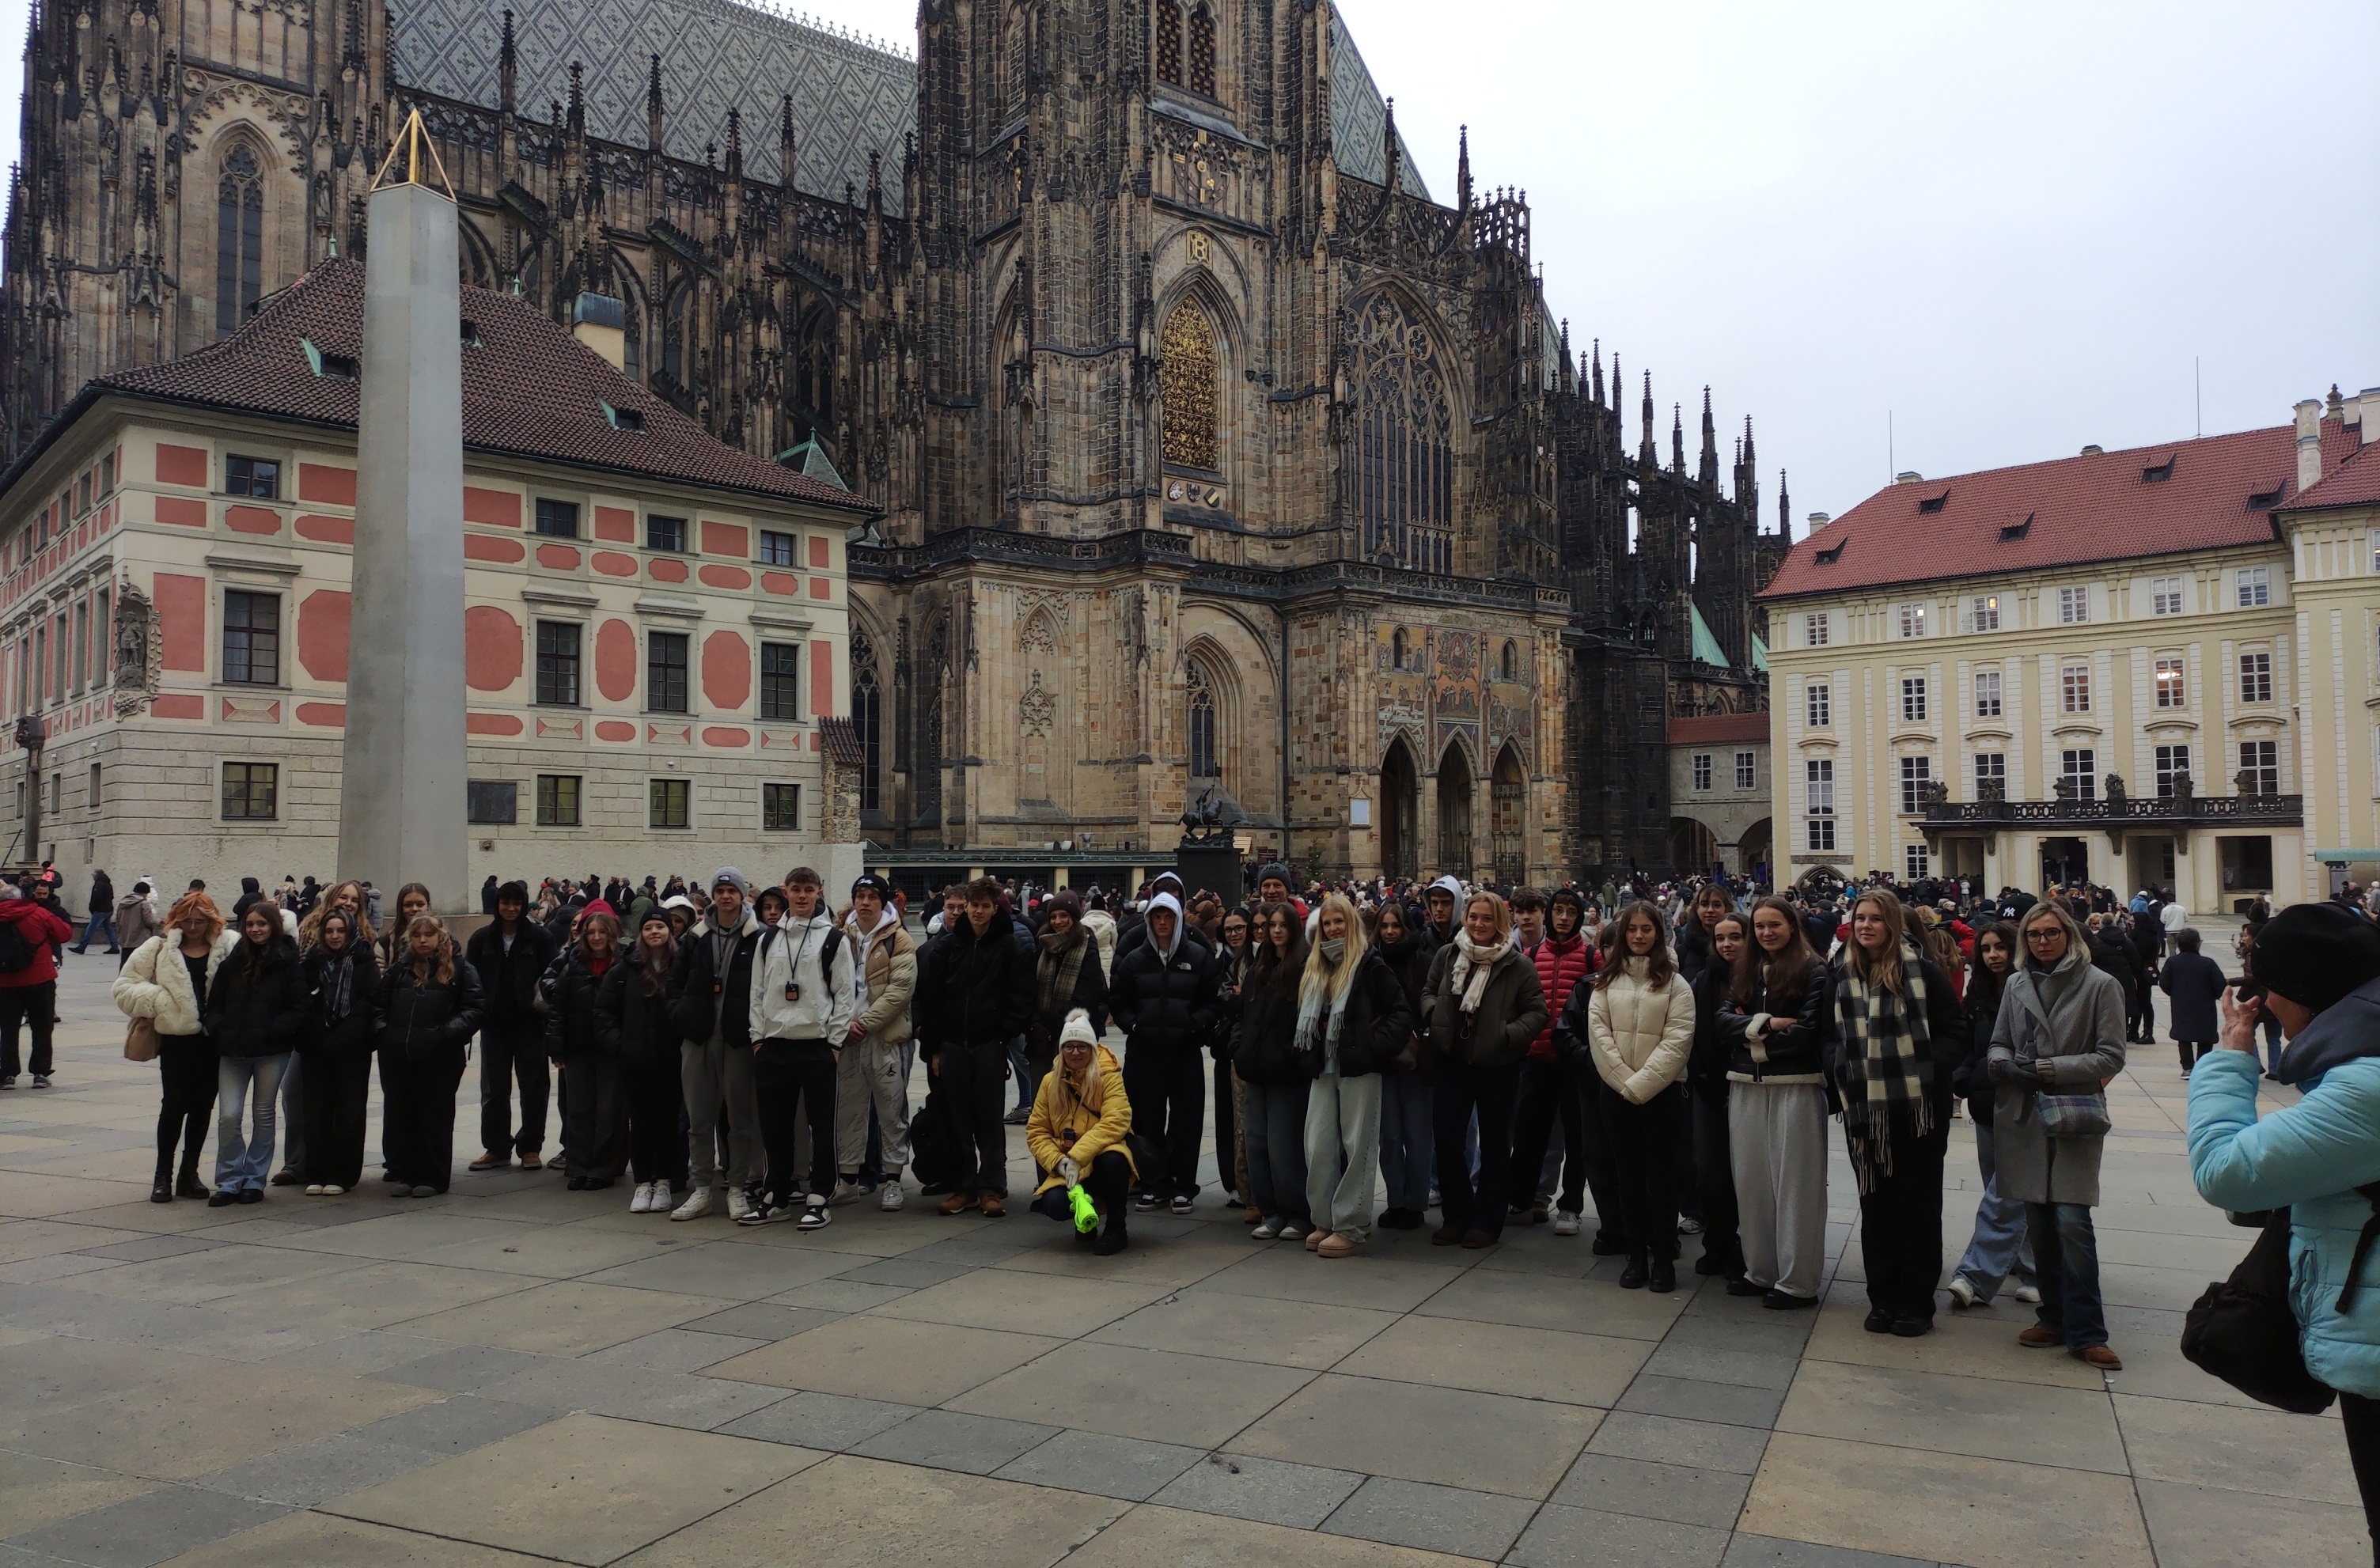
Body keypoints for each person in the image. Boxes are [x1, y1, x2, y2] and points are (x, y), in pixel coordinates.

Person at [2189, 902, 2380, 1558]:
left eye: (2269, 988)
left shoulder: (2366, 1086)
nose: (2264, 1004)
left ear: (2306, 990)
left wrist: (2230, 1059)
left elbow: (2225, 1172)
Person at [1988, 900, 2126, 1369]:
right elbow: (1999, 1041)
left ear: (2069, 935)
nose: (2042, 941)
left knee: (2071, 1221)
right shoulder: (2016, 984)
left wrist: (2048, 1068)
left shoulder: (2100, 985)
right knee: (2040, 1223)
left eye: (2051, 933)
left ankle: (2088, 1331)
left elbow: (2111, 1055)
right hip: (2026, 1114)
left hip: (2073, 1114)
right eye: (2034, 934)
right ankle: (2053, 1317)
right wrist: (2003, 1064)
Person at [1829, 891, 1965, 1336]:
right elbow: (1828, 1036)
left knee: (1918, 1207)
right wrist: (1839, 1066)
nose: (1865, 926)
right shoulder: (1841, 973)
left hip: (1918, 1110)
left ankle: (1916, 1302)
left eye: (1875, 919)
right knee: (1876, 1206)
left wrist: (1924, 1070)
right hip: (1865, 1112)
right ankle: (1882, 1298)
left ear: (1892, 924)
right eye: (1860, 918)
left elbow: (1955, 1031)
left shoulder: (1922, 972)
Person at [1580, 900, 1696, 1292]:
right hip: (1616, 1093)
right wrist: (1624, 1083)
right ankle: (1635, 1257)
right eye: (1632, 929)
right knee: (1627, 1178)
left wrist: (1640, 1086)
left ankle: (1663, 1260)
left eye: (1647, 929)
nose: (1639, 935)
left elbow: (1678, 1041)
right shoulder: (1605, 982)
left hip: (1661, 1094)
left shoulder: (1677, 985)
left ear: (1659, 935)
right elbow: (1599, 1036)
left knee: (1661, 1178)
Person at [1422, 890, 1548, 1248]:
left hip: (1498, 1066)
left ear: (1500, 922)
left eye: (1487, 918)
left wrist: (1507, 1035)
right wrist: (1436, 1016)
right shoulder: (1449, 955)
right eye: (1474, 917)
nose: (1479, 924)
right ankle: (1457, 1215)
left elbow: (1537, 1012)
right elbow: (1428, 991)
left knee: (1495, 1145)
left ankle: (1488, 1221)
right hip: (1453, 1061)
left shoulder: (1517, 964)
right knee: (1448, 1142)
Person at [913, 875, 1036, 1216]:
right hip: (952, 1044)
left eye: (985, 906)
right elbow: (932, 999)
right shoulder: (947, 946)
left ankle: (991, 1187)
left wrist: (1003, 1036)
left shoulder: (1010, 946)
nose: (978, 912)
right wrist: (935, 1048)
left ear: (995, 909)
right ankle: (965, 1186)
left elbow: (1021, 998)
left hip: (989, 1044)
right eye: (973, 905)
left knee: (990, 1119)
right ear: (965, 907)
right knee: (959, 1119)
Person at [1298, 892, 1412, 1257]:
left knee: (1357, 1145)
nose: (1333, 928)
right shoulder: (1316, 966)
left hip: (1358, 1067)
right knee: (1318, 1145)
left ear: (1351, 924)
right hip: (1323, 1067)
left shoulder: (1369, 963)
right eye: (1327, 923)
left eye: (1339, 922)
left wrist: (1371, 1046)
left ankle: (1351, 1225)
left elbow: (1400, 1013)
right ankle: (1323, 1220)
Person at [741, 869, 856, 1228]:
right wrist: (758, 1039)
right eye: (796, 889)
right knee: (774, 1126)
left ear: (819, 892)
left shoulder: (834, 939)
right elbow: (757, 992)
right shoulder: (767, 939)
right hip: (774, 1045)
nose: (802, 896)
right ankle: (775, 1195)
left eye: (809, 889)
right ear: (785, 892)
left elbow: (845, 995)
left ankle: (820, 1195)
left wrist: (834, 1043)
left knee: (822, 1127)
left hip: (817, 1046)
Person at [113, 892, 234, 1202]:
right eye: (187, 921)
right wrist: (161, 1002)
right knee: (173, 1106)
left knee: (203, 1108)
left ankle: (189, 1173)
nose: (193, 927)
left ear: (211, 921)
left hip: (212, 1040)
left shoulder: (227, 947)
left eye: (200, 921)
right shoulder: (159, 947)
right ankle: (162, 1175)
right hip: (176, 1041)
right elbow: (124, 986)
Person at [1946, 922, 2040, 1311]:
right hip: (1986, 1104)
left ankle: (1995, 1272)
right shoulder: (1979, 995)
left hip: (2021, 1102)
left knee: (2010, 1193)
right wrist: (1964, 1077)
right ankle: (2024, 1264)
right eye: (1986, 949)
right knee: (1998, 1189)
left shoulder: (2030, 990)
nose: (1993, 955)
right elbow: (1972, 1046)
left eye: (2000, 947)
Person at [666, 869, 768, 1221]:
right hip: (698, 1038)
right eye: (720, 890)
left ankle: (737, 1187)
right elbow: (674, 982)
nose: (726, 896)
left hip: (738, 1040)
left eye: (731, 890)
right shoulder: (697, 936)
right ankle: (701, 1190)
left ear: (741, 895)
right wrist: (680, 1015)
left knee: (740, 1119)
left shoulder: (758, 936)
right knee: (699, 1119)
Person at [1110, 891, 1221, 1214]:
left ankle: (1183, 1186)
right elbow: (1119, 1001)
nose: (1162, 923)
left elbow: (1212, 1001)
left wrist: (1193, 1025)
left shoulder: (1198, 957)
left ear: (1178, 919)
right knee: (1147, 1120)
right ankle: (1153, 1183)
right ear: (1149, 920)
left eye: (1168, 917)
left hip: (1184, 1051)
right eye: (1157, 917)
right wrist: (1134, 1025)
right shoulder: (1135, 959)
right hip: (1144, 1052)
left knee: (1186, 1120)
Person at [376, 915, 487, 1198]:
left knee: (435, 1116)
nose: (423, 940)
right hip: (401, 1055)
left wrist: (443, 1034)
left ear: (440, 937)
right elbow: (378, 1007)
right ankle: (408, 1174)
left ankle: (434, 1176)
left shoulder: (460, 968)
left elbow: (474, 1009)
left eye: (428, 934)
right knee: (404, 1116)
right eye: (417, 935)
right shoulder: (399, 969)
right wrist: (387, 1034)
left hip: (440, 1057)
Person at [203, 905, 307, 1206]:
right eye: (250, 924)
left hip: (270, 1051)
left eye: (262, 924)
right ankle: (229, 1179)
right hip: (233, 1051)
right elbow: (214, 1004)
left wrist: (275, 1030)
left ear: (273, 926)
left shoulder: (287, 962)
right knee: (229, 1116)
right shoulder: (233, 961)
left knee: (263, 1114)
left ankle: (254, 1179)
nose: (255, 929)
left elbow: (300, 1007)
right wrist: (220, 1029)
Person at [1512, 888, 1595, 1234]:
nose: (1563, 918)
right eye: (1558, 911)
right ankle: (1522, 1200)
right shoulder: (1531, 955)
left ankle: (1570, 1207)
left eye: (1570, 912)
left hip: (1574, 1061)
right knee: (1529, 1135)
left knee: (1577, 1139)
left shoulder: (1590, 956)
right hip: (1538, 1057)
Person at [1230, 902, 1313, 1240]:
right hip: (1254, 1068)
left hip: (1285, 1073)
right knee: (1257, 1144)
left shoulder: (1303, 968)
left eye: (1282, 925)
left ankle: (1297, 1213)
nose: (1276, 931)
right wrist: (1239, 1047)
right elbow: (1242, 1015)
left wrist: (1288, 1055)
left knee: (1283, 1147)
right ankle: (1271, 1211)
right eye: (1271, 926)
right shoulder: (1258, 969)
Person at [466, 881, 559, 1173]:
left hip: (530, 1024)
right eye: (505, 902)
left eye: (516, 903)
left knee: (534, 1087)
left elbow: (552, 976)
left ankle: (530, 1147)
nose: (511, 908)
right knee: (494, 1089)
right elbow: (470, 978)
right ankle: (496, 1147)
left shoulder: (540, 937)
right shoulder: (482, 938)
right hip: (494, 1025)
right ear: (497, 905)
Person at [1025, 1009, 1135, 1255]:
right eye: (1069, 1046)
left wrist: (1079, 1156)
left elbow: (1117, 1120)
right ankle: (1085, 1219)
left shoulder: (1108, 1076)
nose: (1075, 1052)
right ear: (1061, 1049)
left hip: (1101, 1155)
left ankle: (1117, 1227)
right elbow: (1036, 1131)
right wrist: (1059, 1162)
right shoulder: (1049, 1082)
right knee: (1054, 1205)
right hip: (1066, 1163)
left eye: (1082, 1047)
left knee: (1114, 1161)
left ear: (1092, 1049)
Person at [601, 910, 689, 1214]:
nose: (654, 932)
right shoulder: (625, 969)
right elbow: (604, 1011)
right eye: (648, 927)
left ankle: (663, 1181)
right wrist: (620, 1046)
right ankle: (642, 1182)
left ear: (670, 931)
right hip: (635, 1061)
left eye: (660, 926)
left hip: (671, 1060)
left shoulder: (680, 965)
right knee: (640, 1122)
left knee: (667, 1122)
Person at [839, 873, 917, 1212]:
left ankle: (893, 1181)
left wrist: (864, 1023)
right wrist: (843, 1025)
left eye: (872, 896)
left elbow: (900, 991)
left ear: (882, 901)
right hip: (847, 1038)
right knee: (849, 1111)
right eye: (860, 896)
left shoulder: (898, 939)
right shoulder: (840, 936)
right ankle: (848, 1180)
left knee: (891, 1112)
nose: (865, 902)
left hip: (884, 1038)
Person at [1685, 909, 1749, 1282]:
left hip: (1749, 1085)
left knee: (1748, 1174)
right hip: (1709, 1086)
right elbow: (1692, 1035)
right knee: (1711, 1173)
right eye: (1721, 938)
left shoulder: (1761, 978)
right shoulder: (1703, 981)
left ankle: (1748, 1247)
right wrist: (1707, 1081)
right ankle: (1718, 1243)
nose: (1727, 944)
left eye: (1735, 937)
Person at [298, 910, 380, 1195]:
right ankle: (317, 1170)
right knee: (316, 1111)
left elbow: (369, 1001)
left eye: (341, 931)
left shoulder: (364, 960)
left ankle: (343, 1173)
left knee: (349, 1111)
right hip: (316, 1048)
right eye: (329, 931)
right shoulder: (312, 960)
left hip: (352, 1048)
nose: (334, 936)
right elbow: (303, 1000)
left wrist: (344, 1035)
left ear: (350, 932)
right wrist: (318, 1035)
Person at [545, 911, 626, 1190]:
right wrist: (557, 1049)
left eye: (602, 932)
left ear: (611, 934)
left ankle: (603, 1168)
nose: (596, 937)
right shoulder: (573, 967)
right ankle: (578, 1166)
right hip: (577, 1048)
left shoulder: (622, 965)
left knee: (608, 1111)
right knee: (578, 1109)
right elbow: (558, 1010)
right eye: (591, 932)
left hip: (610, 1050)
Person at [1370, 900, 1434, 1230]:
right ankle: (1396, 1200)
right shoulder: (1371, 962)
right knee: (1389, 1135)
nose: (1390, 932)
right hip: (1381, 1059)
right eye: (1384, 926)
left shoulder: (1423, 962)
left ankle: (1416, 1202)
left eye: (1396, 926)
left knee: (1417, 1134)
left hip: (1414, 1060)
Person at [0, 880, 72, 1089]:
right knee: (42, 1027)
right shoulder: (39, 913)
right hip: (40, 978)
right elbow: (65, 934)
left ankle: (7, 1074)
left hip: (6, 981)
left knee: (8, 1028)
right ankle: (40, 1072)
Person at [2158, 929, 2227, 1076]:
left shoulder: (2173, 962)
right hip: (2205, 1005)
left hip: (2182, 1004)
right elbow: (2220, 984)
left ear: (2178, 945)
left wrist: (2175, 994)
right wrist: (2213, 995)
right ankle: (2203, 1065)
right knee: (2205, 1037)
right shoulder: (2208, 963)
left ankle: (2187, 1067)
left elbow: (2164, 982)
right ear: (2198, 944)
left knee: (2184, 1036)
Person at [70, 868, 116, 954]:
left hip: (100, 911)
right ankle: (115, 946)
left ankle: (82, 947)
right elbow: (111, 897)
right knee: (108, 929)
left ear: (97, 875)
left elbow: (96, 898)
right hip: (108, 909)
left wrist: (92, 908)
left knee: (90, 929)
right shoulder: (108, 884)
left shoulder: (99, 885)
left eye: (94, 875)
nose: (93, 877)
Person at [115, 878, 160, 962]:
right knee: (139, 964)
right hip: (140, 939)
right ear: (144, 893)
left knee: (125, 963)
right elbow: (149, 921)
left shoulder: (123, 903)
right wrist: (159, 921)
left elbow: (118, 920)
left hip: (125, 939)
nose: (147, 896)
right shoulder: (144, 904)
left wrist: (119, 935)